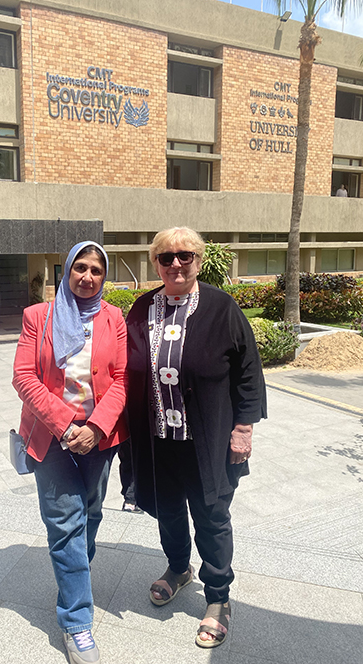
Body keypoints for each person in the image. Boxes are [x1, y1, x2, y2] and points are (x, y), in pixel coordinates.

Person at [126, 226, 266, 649]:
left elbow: (248, 370)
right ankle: (178, 569)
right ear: (155, 263)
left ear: (198, 261)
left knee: (211, 517)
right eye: (166, 257)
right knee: (168, 511)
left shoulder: (222, 308)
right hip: (157, 439)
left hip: (207, 440)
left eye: (184, 256)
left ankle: (218, 597)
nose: (175, 264)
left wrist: (243, 428)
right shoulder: (142, 308)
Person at [12, 241, 128, 664]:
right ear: (66, 270)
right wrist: (65, 425)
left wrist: (95, 428)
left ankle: (74, 572)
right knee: (65, 523)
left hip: (99, 437)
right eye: (80, 267)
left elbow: (123, 379)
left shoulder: (113, 318)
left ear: (104, 276)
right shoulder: (37, 317)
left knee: (91, 512)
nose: (87, 277)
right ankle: (76, 620)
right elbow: (24, 376)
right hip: (50, 437)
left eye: (96, 270)